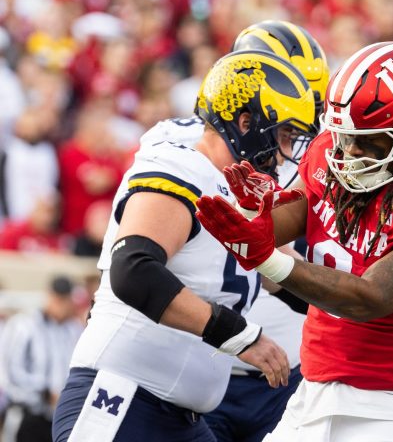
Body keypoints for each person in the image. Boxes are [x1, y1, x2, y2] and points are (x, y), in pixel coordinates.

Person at [196, 41, 393, 442]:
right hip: (314, 392)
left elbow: (369, 298)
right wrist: (257, 216)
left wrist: (267, 258)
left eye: (370, 140)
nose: (350, 152)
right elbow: (304, 207)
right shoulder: (331, 155)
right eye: (344, 136)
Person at [51, 49, 316, 442]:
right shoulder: (183, 166)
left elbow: (292, 279)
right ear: (246, 123)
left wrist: (367, 310)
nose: (288, 151)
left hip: (180, 418)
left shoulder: (237, 193)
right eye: (283, 134)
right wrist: (241, 335)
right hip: (123, 397)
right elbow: (134, 269)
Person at [203, 20, 331, 442]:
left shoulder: (321, 154)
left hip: (289, 365)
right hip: (211, 362)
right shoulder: (192, 148)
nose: (290, 137)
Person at [0, 277, 82, 442]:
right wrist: (45, 392)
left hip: (58, 416)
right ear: (50, 296)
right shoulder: (24, 325)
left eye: (65, 299)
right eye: (59, 298)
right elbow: (11, 371)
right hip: (27, 413)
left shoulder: (73, 329)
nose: (62, 304)